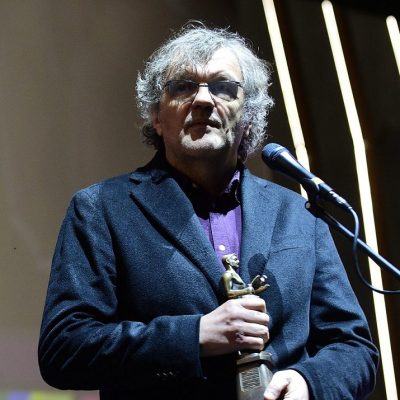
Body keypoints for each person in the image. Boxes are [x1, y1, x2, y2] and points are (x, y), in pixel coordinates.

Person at [38, 24, 379, 400]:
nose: (202, 99)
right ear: (156, 117)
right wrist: (194, 336)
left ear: (248, 116)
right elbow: (64, 348)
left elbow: (354, 349)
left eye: (223, 87)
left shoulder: (300, 214)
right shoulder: (102, 208)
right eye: (183, 87)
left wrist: (308, 382)